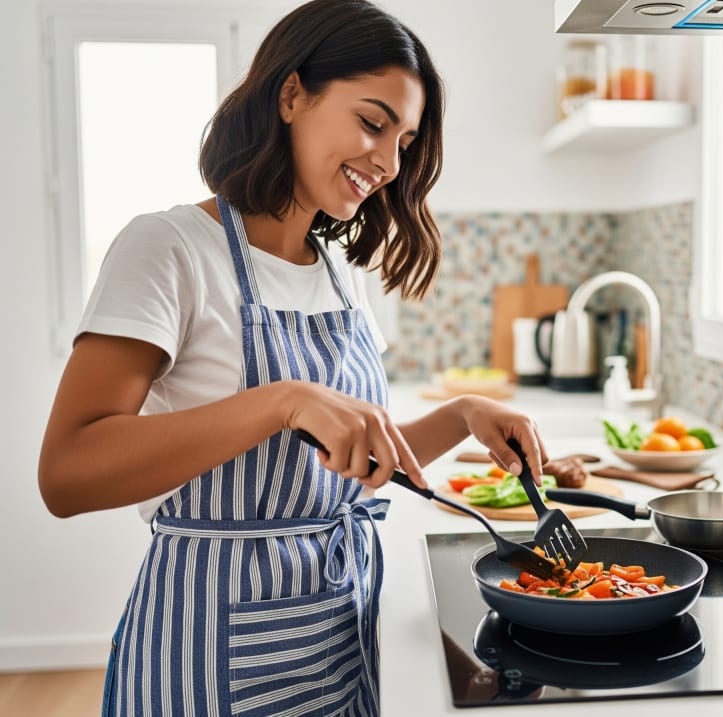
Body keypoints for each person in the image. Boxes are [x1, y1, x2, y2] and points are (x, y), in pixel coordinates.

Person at [36, 1, 548, 715]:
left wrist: (462, 414)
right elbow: (66, 474)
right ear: (291, 94)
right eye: (372, 122)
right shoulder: (170, 247)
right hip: (210, 653)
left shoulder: (338, 271)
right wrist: (281, 400)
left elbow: (351, 466)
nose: (387, 161)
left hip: (338, 636)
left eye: (403, 139)